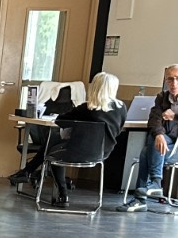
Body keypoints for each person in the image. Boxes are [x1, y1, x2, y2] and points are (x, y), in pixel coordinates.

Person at [10, 73, 125, 206]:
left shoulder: (86, 108)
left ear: (95, 87)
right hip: (102, 153)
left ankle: (61, 194)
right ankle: (27, 172)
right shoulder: (121, 109)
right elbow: (119, 129)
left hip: (76, 151)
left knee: (52, 146)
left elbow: (60, 121)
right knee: (53, 143)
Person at [125, 63, 178, 209]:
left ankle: (142, 198)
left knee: (146, 152)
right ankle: (155, 184)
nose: (174, 83)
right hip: (169, 141)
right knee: (154, 139)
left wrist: (176, 116)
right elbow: (154, 119)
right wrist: (159, 135)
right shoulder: (162, 97)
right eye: (170, 79)